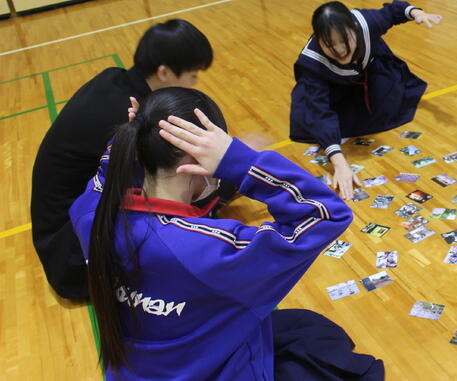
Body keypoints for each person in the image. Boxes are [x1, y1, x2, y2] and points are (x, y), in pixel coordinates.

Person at [70, 87, 380, 380]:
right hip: (213, 370)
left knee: (306, 327)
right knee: (327, 345)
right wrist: (237, 161)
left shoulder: (90, 212)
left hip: (142, 368)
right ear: (196, 160)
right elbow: (326, 213)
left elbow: (106, 172)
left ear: (138, 150)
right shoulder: (208, 252)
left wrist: (137, 133)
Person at [31, 18, 213, 300]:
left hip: (60, 233)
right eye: (192, 75)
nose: (195, 83)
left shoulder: (115, 79)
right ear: (164, 72)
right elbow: (165, 182)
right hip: (73, 260)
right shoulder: (127, 115)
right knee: (195, 199)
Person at [290, 0, 442, 199]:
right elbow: (320, 113)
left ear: (354, 28)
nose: (340, 50)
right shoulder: (311, 63)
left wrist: (415, 12)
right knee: (314, 122)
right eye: (330, 44)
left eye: (344, 40)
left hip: (370, 74)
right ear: (318, 40)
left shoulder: (366, 22)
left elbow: (392, 12)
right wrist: (339, 163)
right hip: (335, 91)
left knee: (391, 102)